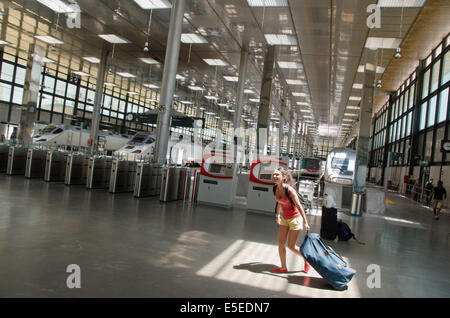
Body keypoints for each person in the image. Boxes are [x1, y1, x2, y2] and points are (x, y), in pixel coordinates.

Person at [271, 167, 311, 274]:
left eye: (277, 175)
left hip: (295, 219)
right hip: (285, 218)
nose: (274, 176)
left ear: (284, 177)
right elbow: (280, 202)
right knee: (280, 243)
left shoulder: (290, 190)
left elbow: (299, 206)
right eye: (274, 174)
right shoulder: (275, 188)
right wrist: (277, 215)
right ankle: (283, 268)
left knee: (292, 246)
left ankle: (307, 260)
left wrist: (306, 222)